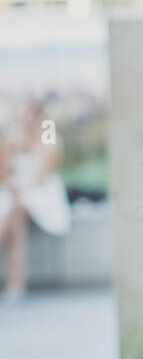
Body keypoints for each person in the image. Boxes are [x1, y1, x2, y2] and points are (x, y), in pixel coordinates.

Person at [0, 97, 72, 304]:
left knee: (15, 212)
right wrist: (15, 190)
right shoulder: (10, 137)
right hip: (14, 192)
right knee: (16, 220)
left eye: (30, 114)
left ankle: (16, 285)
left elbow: (45, 173)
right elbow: (4, 173)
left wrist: (29, 144)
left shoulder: (48, 136)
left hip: (42, 191)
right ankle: (16, 285)